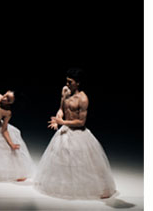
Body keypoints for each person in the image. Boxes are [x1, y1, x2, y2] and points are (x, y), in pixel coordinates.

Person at [35, 68, 116, 199]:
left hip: (78, 133)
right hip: (65, 131)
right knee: (62, 160)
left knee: (82, 163)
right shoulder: (65, 91)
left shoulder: (83, 99)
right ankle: (63, 186)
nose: (67, 84)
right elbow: (61, 108)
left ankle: (96, 188)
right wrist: (57, 119)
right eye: (66, 81)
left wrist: (62, 122)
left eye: (70, 82)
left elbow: (81, 122)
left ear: (77, 83)